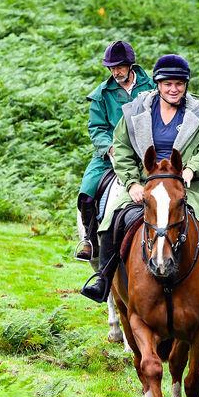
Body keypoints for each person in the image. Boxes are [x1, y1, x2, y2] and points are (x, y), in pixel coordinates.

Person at [80, 54, 199, 310]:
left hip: (188, 183)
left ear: (185, 85)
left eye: (179, 84)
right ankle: (103, 278)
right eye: (167, 84)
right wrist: (131, 183)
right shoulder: (136, 111)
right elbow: (121, 147)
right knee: (113, 222)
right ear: (158, 85)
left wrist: (192, 169)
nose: (173, 89)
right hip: (146, 183)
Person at [76, 40, 154, 260]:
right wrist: (110, 148)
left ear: (130, 65)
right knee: (88, 191)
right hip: (110, 154)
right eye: (112, 67)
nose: (116, 71)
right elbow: (96, 128)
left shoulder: (152, 86)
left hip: (147, 152)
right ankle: (89, 240)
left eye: (120, 66)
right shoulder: (101, 94)